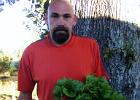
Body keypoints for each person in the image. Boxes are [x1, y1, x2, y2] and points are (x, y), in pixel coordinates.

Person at [18, 0, 109, 100]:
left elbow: (102, 88)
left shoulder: (91, 46)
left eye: (66, 16)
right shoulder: (31, 52)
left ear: (74, 20)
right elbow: (25, 95)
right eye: (55, 16)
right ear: (46, 19)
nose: (60, 22)